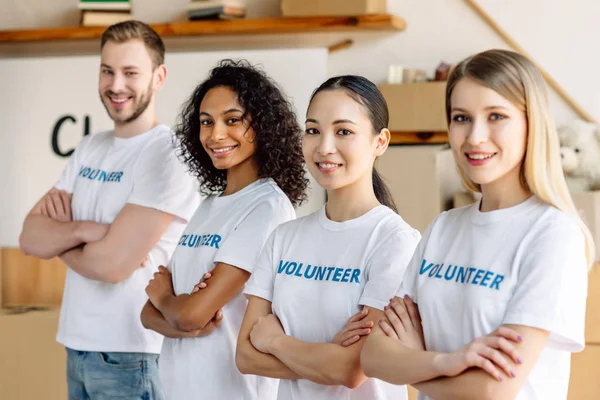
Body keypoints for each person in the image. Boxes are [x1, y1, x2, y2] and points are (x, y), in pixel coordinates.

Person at [360, 49, 595, 400]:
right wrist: (447, 361)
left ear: (533, 124)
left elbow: (492, 390)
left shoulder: (554, 235)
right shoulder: (443, 228)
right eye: (461, 118)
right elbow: (374, 356)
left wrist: (415, 362)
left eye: (496, 116)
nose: (475, 137)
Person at [18, 20, 199, 399]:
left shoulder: (169, 156)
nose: (116, 85)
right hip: (77, 345)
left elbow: (112, 266)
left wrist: (63, 240)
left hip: (132, 354)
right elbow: (31, 237)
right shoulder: (90, 147)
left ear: (159, 77)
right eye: (107, 71)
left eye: (130, 72)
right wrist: (87, 232)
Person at [234, 75, 421, 400]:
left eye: (343, 131)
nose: (324, 147)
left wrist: (275, 342)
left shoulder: (395, 240)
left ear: (380, 142)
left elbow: (352, 370)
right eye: (313, 130)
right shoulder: (284, 237)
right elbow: (246, 356)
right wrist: (328, 354)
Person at [140, 59, 309, 400]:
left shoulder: (267, 207)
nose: (216, 135)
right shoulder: (207, 206)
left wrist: (165, 299)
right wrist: (180, 314)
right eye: (206, 122)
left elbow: (186, 312)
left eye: (232, 120)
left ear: (262, 126)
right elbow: (148, 317)